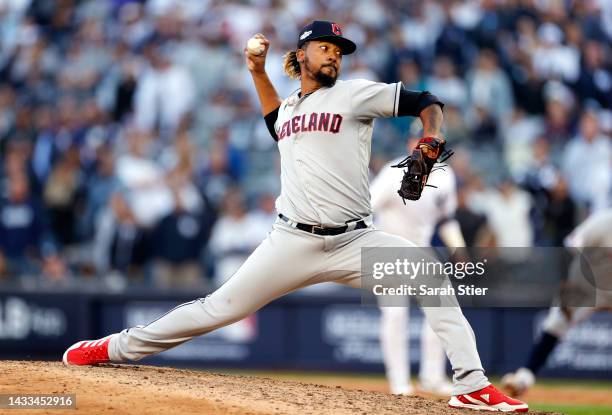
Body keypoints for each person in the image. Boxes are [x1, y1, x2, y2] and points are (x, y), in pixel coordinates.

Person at [62, 21, 527, 412]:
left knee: (430, 274)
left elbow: (427, 99)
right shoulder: (287, 111)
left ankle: (470, 385)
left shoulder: (354, 95)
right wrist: (256, 71)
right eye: (325, 48)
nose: (334, 56)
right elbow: (273, 121)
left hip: (354, 242)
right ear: (302, 53)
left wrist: (430, 137)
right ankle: (112, 347)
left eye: (339, 51)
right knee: (215, 310)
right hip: (289, 242)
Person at [371, 136, 463, 396]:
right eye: (418, 139)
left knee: (441, 309)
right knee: (395, 314)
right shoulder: (391, 173)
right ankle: (399, 383)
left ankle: (432, 377)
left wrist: (459, 249)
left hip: (421, 249)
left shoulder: (445, 176)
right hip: (388, 248)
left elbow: (447, 219)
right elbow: (366, 209)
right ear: (410, 143)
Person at [502, 208, 612, 397]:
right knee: (557, 323)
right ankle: (524, 378)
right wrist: (565, 286)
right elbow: (570, 247)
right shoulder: (605, 222)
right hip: (586, 284)